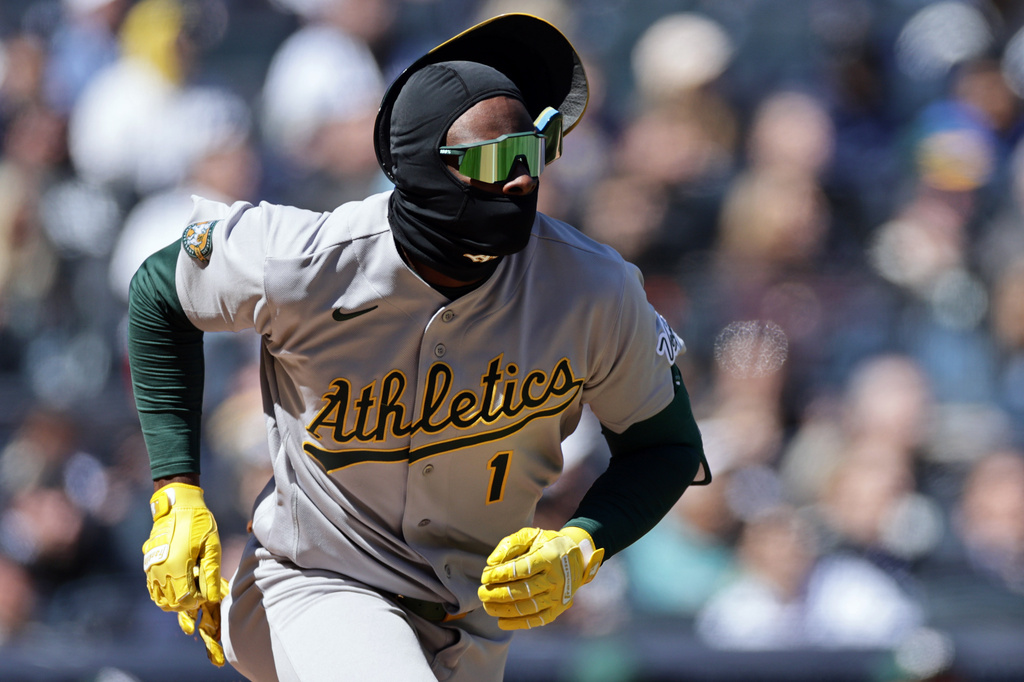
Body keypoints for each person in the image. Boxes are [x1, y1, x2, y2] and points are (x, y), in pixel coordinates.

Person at [129, 13, 708, 681]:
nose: (523, 179)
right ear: (422, 170)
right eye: (496, 160)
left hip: (468, 628)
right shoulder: (309, 260)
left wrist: (585, 541)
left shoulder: (592, 288)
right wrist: (177, 488)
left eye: (534, 148)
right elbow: (158, 291)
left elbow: (666, 445)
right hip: (312, 583)